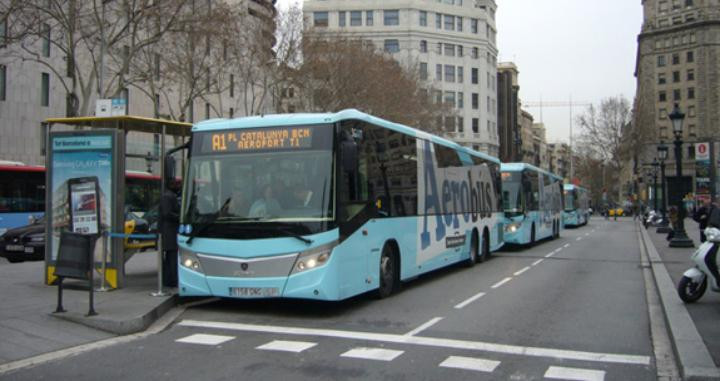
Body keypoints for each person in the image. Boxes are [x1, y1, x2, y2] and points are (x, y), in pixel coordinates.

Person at [160, 180, 180, 288]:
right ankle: (171, 280)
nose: (178, 186)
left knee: (171, 257)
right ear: (171, 185)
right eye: (176, 184)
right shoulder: (168, 196)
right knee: (171, 258)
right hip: (169, 232)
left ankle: (170, 279)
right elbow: (167, 213)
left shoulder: (169, 195)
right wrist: (180, 217)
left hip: (170, 231)